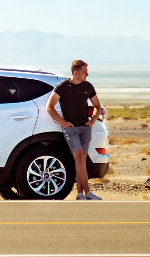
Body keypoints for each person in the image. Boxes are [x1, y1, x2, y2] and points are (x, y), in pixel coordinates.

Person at [45, 59, 103, 200]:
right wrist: (63, 123)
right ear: (76, 72)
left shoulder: (88, 86)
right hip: (71, 130)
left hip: (85, 128)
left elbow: (98, 107)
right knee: (78, 160)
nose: (87, 74)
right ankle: (88, 193)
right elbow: (49, 107)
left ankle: (79, 194)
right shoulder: (62, 87)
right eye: (85, 72)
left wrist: (92, 121)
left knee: (82, 162)